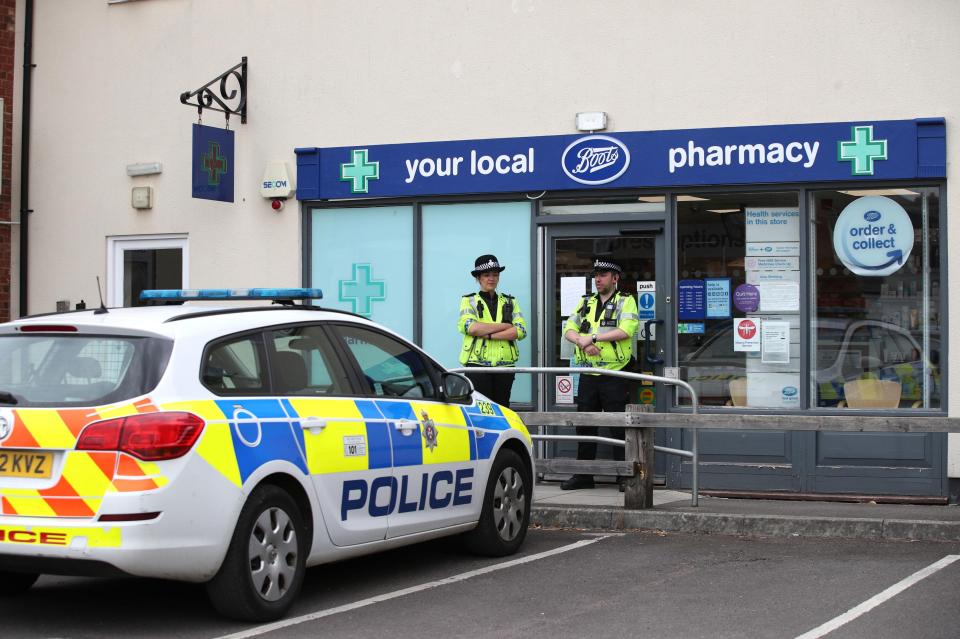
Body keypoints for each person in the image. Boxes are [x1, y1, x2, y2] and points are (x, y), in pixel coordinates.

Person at [560, 257, 639, 490]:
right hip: (588, 373)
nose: (597, 279)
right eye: (595, 275)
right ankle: (584, 475)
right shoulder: (586, 302)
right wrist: (583, 343)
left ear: (615, 278)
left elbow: (626, 330)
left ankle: (624, 476)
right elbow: (569, 329)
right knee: (585, 425)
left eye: (603, 275)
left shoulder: (627, 301)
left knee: (617, 425)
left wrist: (593, 338)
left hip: (615, 373)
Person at [457, 254, 527, 407]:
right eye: (486, 275)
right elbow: (472, 328)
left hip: (505, 366)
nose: (491, 278)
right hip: (478, 365)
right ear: (478, 278)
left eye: (495, 274)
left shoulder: (510, 301)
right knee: (481, 410)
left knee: (502, 408)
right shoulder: (468, 300)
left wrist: (488, 335)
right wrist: (506, 326)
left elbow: (521, 331)